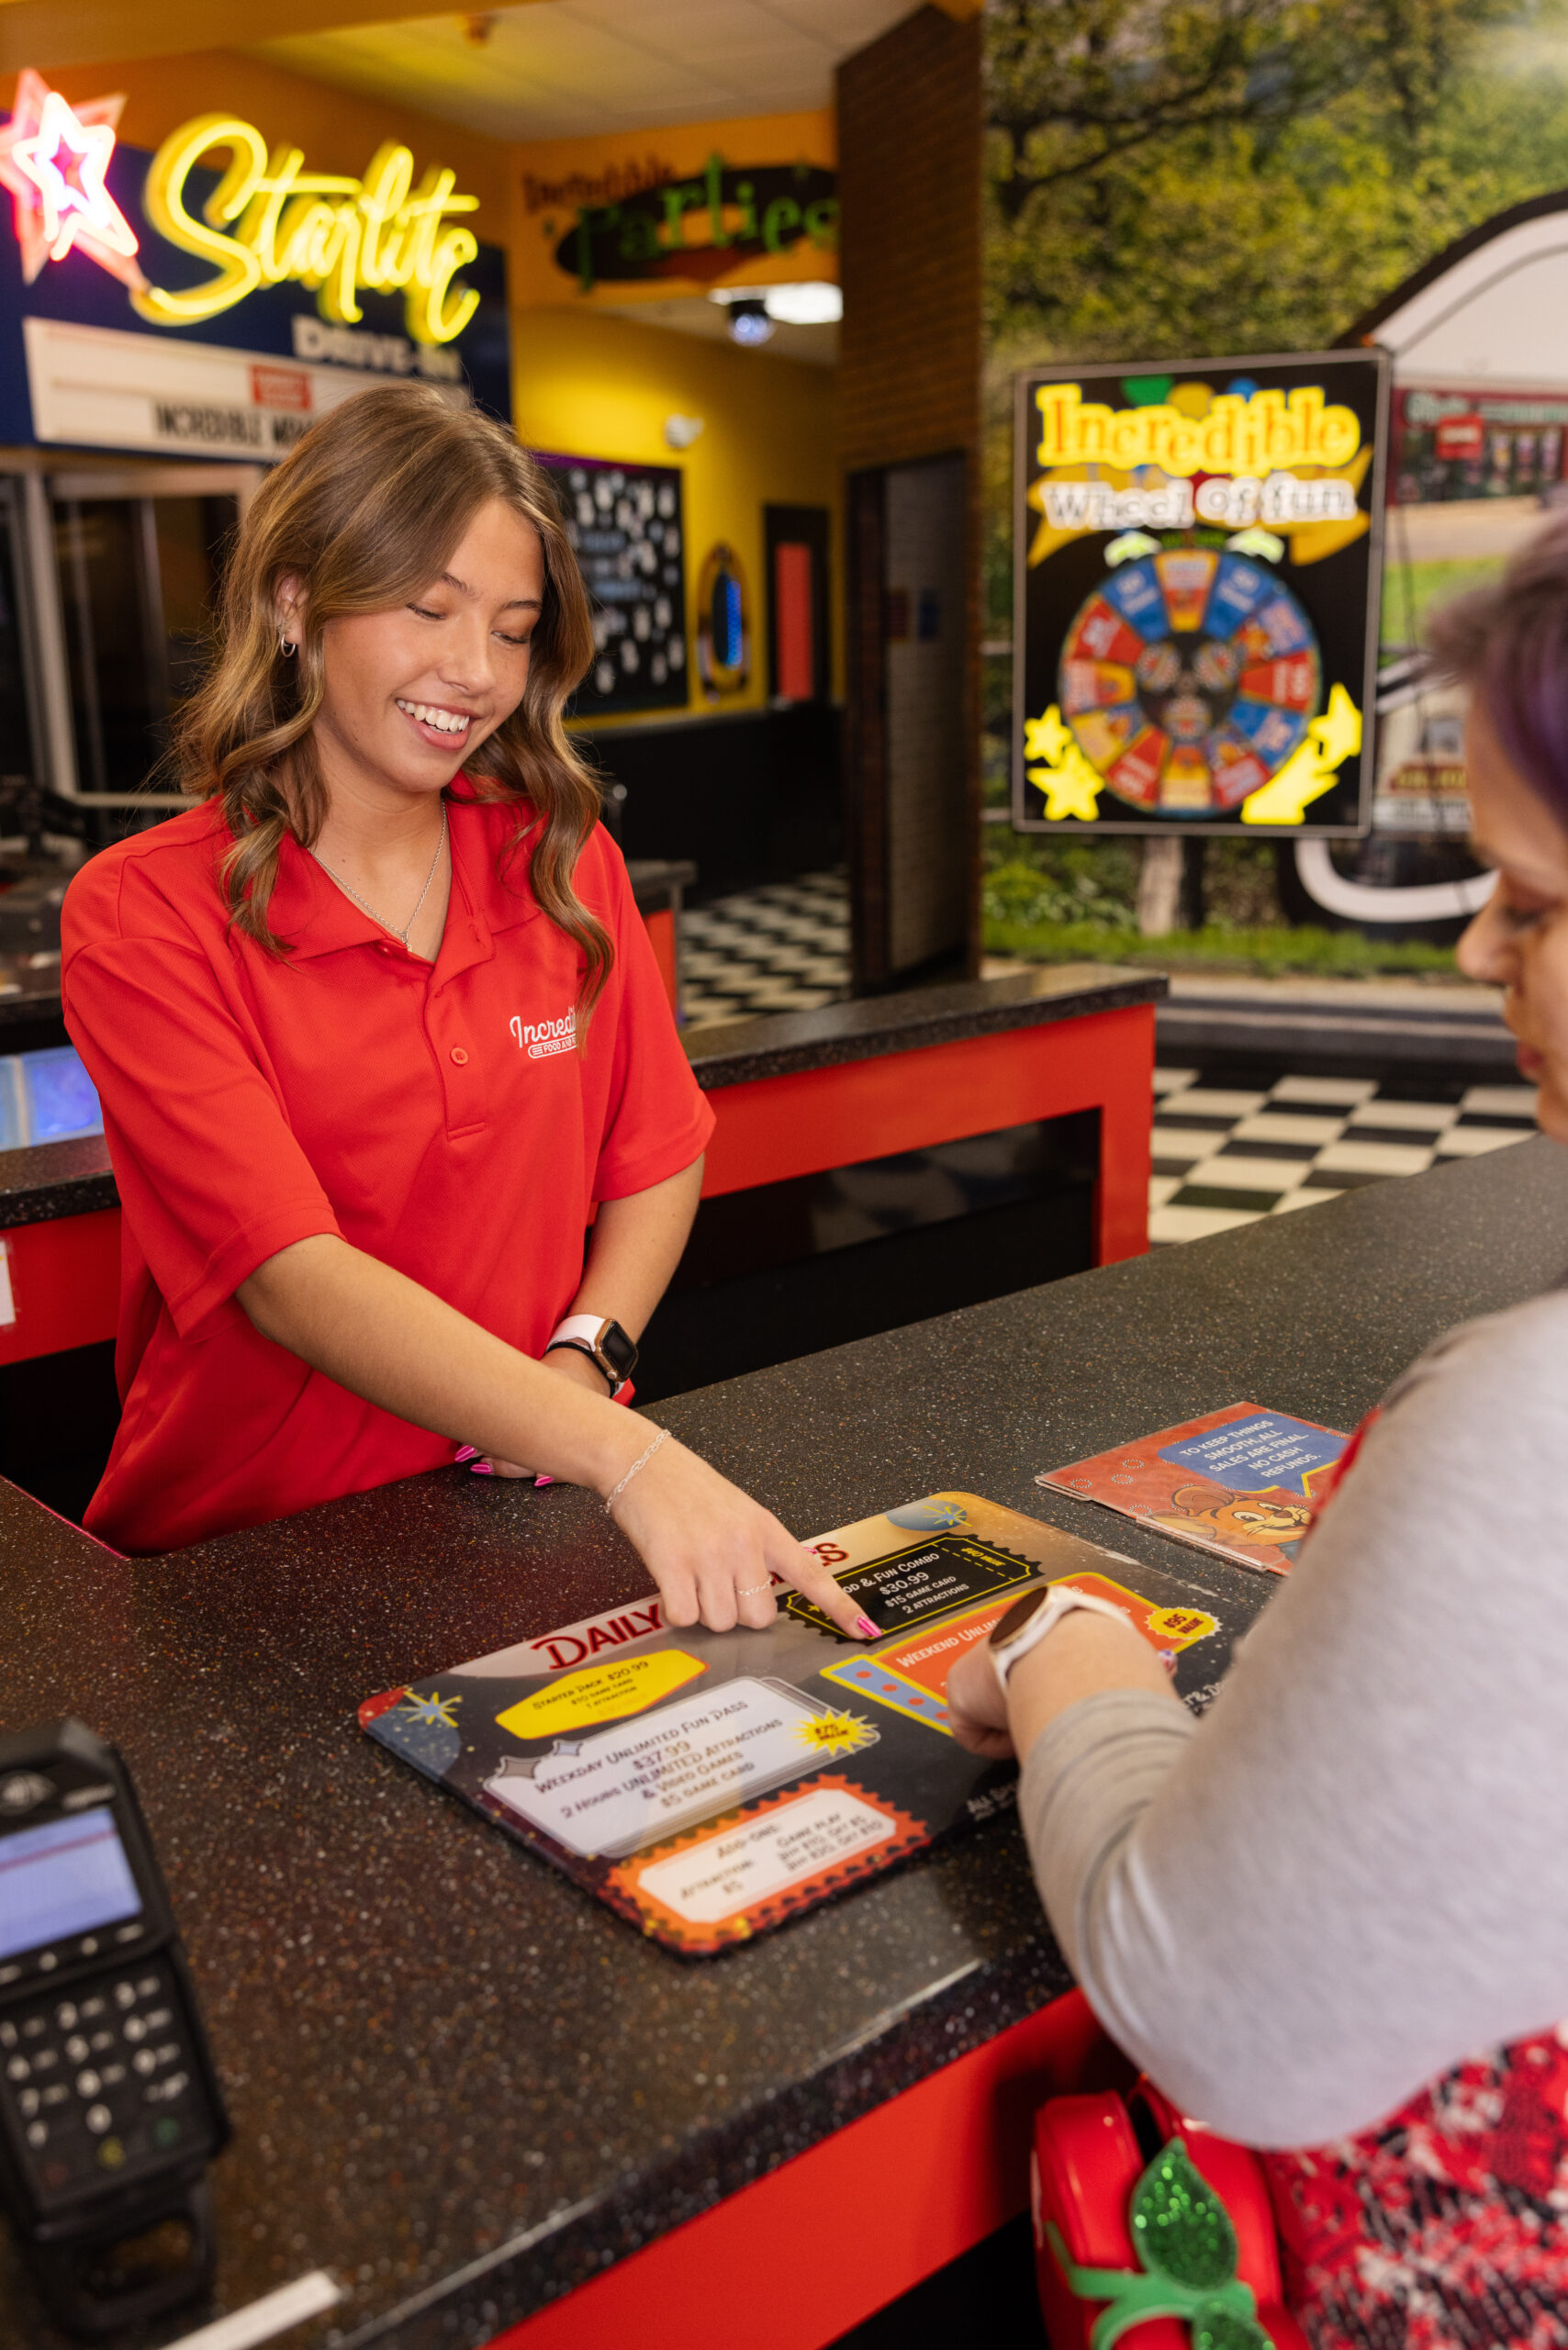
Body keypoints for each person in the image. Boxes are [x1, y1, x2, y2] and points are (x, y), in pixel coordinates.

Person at [946, 519, 1568, 2344]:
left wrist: (1065, 1645)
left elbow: (1212, 1995)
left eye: (1528, 903)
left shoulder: (1520, 1424)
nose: (1471, 951)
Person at [62, 384, 871, 1643]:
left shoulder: (556, 857)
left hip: (519, 1517)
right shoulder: (143, 913)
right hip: (244, 1561)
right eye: (426, 610)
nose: (474, 674)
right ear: (294, 600)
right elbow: (290, 1278)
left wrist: (586, 1357)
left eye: (511, 628)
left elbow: (659, 1151)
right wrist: (631, 1458)